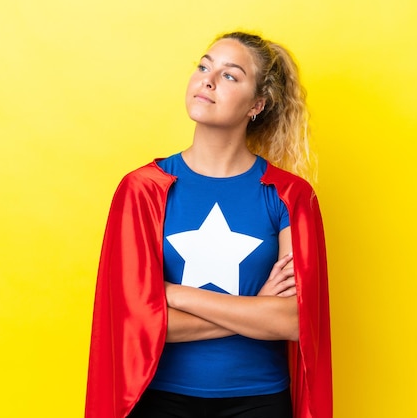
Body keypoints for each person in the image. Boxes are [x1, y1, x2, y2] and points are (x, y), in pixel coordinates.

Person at [85, 31, 332, 418]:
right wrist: (255, 310)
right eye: (204, 66)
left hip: (260, 400)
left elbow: (294, 320)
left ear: (258, 104)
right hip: (160, 398)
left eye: (230, 75)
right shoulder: (144, 190)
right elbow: (138, 326)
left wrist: (170, 294)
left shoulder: (288, 195)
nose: (208, 80)